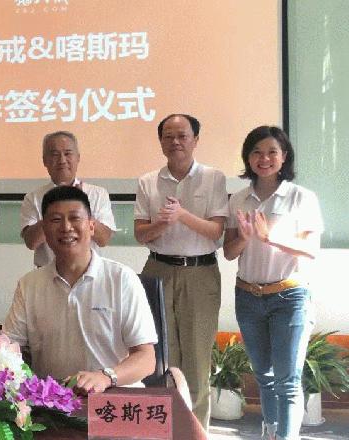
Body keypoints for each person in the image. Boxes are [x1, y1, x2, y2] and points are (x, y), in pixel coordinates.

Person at [0, 186, 157, 394]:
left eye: (75, 218)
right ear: (45, 231)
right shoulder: (30, 284)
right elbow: (9, 347)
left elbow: (147, 359)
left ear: (91, 226)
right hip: (54, 401)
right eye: (56, 220)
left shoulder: (121, 279)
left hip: (114, 398)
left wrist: (105, 377)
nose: (66, 227)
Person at [223, 126, 322, 440]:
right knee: (264, 377)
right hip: (248, 296)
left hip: (289, 296)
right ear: (247, 157)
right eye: (256, 152)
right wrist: (245, 237)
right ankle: (272, 432)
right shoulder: (239, 199)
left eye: (271, 152)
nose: (264, 159)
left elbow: (311, 249)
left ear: (284, 157)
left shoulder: (301, 197)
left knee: (287, 381)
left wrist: (271, 238)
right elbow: (229, 252)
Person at [133, 113, 228, 428]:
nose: (175, 142)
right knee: (162, 355)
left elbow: (216, 232)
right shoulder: (148, 181)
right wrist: (161, 223)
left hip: (199, 273)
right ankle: (165, 429)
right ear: (160, 142)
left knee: (197, 358)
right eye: (168, 136)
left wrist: (182, 215)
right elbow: (140, 234)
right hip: (157, 269)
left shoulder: (213, 178)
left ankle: (196, 430)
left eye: (182, 135)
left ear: (195, 140)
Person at [20, 131, 116, 267]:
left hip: (90, 273)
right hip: (47, 274)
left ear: (78, 158)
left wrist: (81, 206)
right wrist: (54, 206)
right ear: (45, 161)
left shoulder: (97, 194)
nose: (62, 160)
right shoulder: (33, 197)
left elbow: (103, 239)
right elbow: (31, 243)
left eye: (68, 153)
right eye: (55, 154)